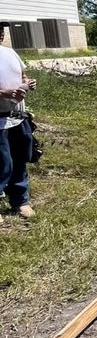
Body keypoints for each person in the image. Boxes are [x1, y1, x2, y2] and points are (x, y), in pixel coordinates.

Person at [0, 21, 37, 219]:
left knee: (20, 158)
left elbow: (22, 75)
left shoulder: (10, 53)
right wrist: (2, 93)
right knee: (2, 162)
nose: (0, 34)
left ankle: (21, 201)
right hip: (0, 120)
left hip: (18, 117)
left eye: (1, 30)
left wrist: (28, 82)